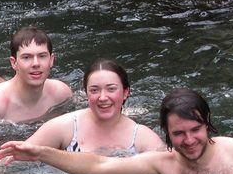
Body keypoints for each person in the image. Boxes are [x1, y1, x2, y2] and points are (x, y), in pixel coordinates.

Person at [0, 87, 233, 174]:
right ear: (167, 136)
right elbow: (97, 166)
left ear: (207, 125)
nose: (189, 140)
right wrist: (41, 153)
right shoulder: (161, 165)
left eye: (195, 130)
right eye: (179, 134)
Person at [22, 59, 165, 154]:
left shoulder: (142, 138)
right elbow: (13, 158)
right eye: (94, 90)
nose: (102, 98)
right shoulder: (65, 127)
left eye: (111, 89)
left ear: (125, 92)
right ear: (86, 94)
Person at [0, 25, 73, 130]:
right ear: (13, 62)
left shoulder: (61, 94)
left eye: (42, 56)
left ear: (51, 60)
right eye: (27, 57)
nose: (36, 63)